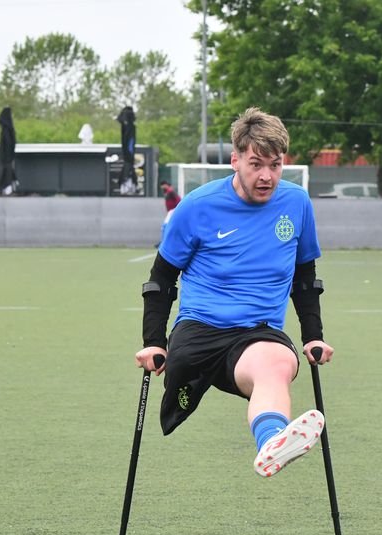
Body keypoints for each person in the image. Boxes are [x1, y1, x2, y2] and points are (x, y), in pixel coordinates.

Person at [135, 107, 330, 477]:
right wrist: (154, 341)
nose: (267, 176)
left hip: (258, 332)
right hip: (200, 329)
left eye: (275, 165)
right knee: (181, 396)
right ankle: (270, 434)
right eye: (256, 164)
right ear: (235, 159)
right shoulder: (196, 206)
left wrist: (313, 336)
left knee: (277, 364)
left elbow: (305, 276)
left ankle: (273, 442)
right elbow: (161, 279)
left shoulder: (296, 203)